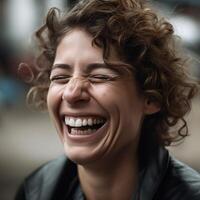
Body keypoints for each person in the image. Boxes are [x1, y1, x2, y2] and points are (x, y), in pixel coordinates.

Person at [15, 0, 200, 199]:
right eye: (60, 77)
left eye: (100, 76)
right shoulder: (34, 191)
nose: (71, 93)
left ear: (151, 97)